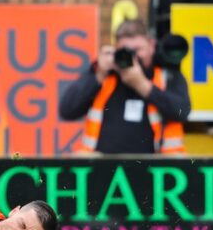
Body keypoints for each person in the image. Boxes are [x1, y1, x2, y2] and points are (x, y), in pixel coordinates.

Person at [60, 19, 190, 154]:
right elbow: (67, 110)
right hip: (103, 168)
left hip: (154, 169)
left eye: (138, 50)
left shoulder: (166, 75)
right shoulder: (105, 75)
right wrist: (98, 74)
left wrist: (142, 85)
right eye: (126, 51)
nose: (134, 58)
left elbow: (182, 112)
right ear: (116, 49)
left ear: (151, 46)